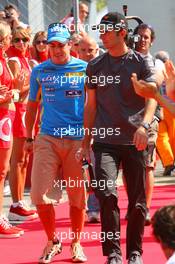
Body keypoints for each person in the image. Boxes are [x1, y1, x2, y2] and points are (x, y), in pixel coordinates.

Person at [81, 11, 157, 264]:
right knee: (107, 195)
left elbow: (152, 100)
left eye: (106, 29)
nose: (101, 34)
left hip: (136, 140)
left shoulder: (141, 62)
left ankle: (134, 253)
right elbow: (90, 107)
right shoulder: (94, 66)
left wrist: (144, 127)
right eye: (100, 29)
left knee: (137, 202)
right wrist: (85, 143)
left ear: (122, 32)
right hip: (104, 143)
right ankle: (113, 253)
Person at [25, 22, 87, 263]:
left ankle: (77, 243)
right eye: (52, 45)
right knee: (40, 194)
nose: (57, 49)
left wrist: (91, 139)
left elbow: (94, 106)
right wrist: (30, 137)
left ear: (70, 44)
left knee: (77, 196)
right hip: (47, 138)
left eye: (61, 44)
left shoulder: (84, 68)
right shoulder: (40, 71)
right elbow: (31, 106)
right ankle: (52, 241)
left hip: (77, 140)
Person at [125, 23, 164, 225]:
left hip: (149, 121)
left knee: (147, 165)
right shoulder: (125, 60)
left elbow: (153, 88)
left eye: (146, 37)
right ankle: (134, 205)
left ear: (152, 40)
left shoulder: (157, 64)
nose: (142, 40)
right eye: (138, 36)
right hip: (126, 121)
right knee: (128, 167)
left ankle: (145, 209)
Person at [7, 27, 38, 222]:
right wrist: (35, 83)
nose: (21, 43)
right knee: (17, 160)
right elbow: (16, 91)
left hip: (28, 113)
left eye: (25, 40)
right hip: (19, 112)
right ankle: (16, 203)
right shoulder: (14, 61)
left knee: (24, 160)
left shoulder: (28, 60)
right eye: (17, 40)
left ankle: (20, 203)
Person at [0, 20, 24, 237]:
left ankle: (1, 219)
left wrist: (11, 92)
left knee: (2, 171)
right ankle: (0, 220)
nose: (12, 41)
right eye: (10, 37)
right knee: (1, 172)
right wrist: (6, 96)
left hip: (7, 116)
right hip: (2, 119)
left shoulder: (4, 59)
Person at [78, 36, 101, 223]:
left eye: (91, 50)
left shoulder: (104, 69)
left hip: (97, 127)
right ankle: (80, 208)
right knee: (79, 172)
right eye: (83, 50)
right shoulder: (71, 70)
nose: (87, 54)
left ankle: (94, 208)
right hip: (72, 127)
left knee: (94, 169)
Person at [154, 51, 175, 176]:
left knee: (161, 138)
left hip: (158, 108)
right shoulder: (171, 70)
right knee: (173, 136)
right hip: (171, 108)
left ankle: (168, 163)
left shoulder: (154, 70)